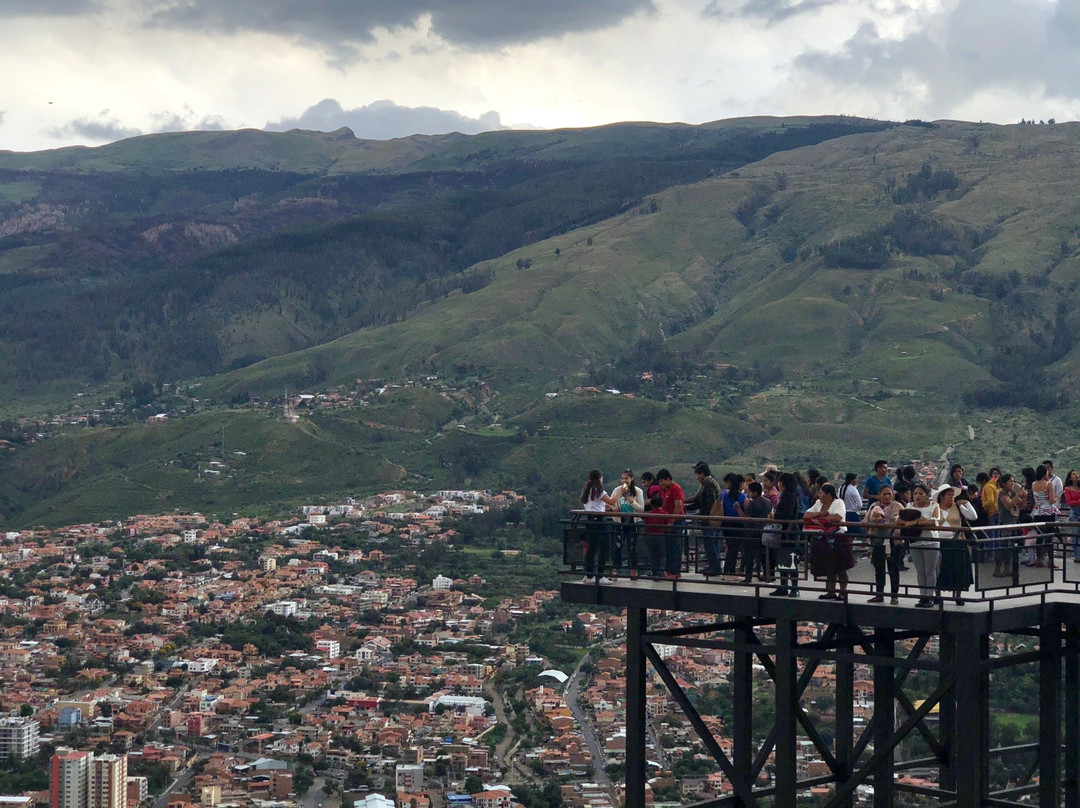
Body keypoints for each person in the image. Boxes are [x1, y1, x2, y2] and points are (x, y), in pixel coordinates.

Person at [897, 484, 941, 607]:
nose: (917, 496)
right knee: (920, 571)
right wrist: (913, 522)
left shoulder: (933, 505)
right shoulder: (909, 506)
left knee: (930, 571)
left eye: (920, 493)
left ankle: (929, 596)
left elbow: (934, 521)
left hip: (931, 541)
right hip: (915, 541)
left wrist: (915, 522)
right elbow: (899, 520)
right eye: (915, 493)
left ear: (926, 495)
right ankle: (922, 595)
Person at [804, 483, 851, 599]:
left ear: (828, 494)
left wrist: (818, 519)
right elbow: (806, 515)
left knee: (840, 567)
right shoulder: (818, 503)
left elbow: (837, 517)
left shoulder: (838, 502)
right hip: (824, 539)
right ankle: (831, 591)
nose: (818, 495)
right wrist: (821, 514)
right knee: (829, 567)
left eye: (821, 492)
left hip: (838, 538)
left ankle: (842, 592)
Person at [936, 485, 977, 604]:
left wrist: (966, 503)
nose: (951, 497)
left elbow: (973, 516)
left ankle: (958, 596)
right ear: (942, 497)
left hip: (958, 541)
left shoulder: (957, 507)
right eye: (948, 495)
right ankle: (938, 595)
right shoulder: (936, 508)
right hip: (940, 542)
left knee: (958, 569)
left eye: (952, 495)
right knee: (940, 569)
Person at [863, 484, 903, 603]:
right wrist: (871, 522)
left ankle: (894, 596)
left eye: (889, 494)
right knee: (879, 569)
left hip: (893, 542)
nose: (887, 496)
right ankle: (879, 594)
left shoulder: (898, 506)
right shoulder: (874, 506)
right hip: (877, 541)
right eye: (884, 494)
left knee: (893, 569)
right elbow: (865, 520)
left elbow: (903, 521)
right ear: (879, 495)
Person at [684, 461, 722, 575]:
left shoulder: (708, 485)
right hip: (711, 519)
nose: (697, 477)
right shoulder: (709, 483)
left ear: (702, 473)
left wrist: (689, 508)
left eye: (697, 474)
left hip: (709, 519)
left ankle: (715, 568)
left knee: (710, 544)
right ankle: (714, 566)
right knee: (712, 544)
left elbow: (705, 503)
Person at [769, 473, 802, 597]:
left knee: (789, 560)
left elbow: (787, 514)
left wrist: (775, 515)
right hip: (789, 532)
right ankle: (786, 587)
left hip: (788, 533)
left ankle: (792, 587)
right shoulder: (790, 495)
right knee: (784, 560)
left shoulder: (788, 496)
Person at [579, 470, 612, 583]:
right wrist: (620, 491)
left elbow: (593, 504)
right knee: (604, 547)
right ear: (600, 478)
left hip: (590, 520)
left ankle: (590, 575)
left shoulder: (587, 490)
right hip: (599, 520)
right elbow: (612, 501)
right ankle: (600, 575)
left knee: (592, 548)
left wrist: (603, 507)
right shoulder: (599, 490)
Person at [611, 470, 644, 578]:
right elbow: (611, 502)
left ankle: (633, 570)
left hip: (632, 522)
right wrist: (614, 508)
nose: (624, 481)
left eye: (626, 478)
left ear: (631, 479)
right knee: (617, 546)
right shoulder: (617, 490)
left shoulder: (638, 491)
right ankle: (615, 569)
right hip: (619, 521)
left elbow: (641, 509)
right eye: (622, 478)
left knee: (632, 546)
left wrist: (632, 501)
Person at [740, 481, 773, 583]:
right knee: (764, 556)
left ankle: (748, 577)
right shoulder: (768, 501)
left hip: (753, 532)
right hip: (765, 531)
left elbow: (746, 517)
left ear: (754, 492)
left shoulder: (753, 503)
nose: (749, 494)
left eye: (750, 492)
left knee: (750, 555)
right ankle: (768, 575)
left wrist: (738, 509)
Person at [656, 469, 685, 580]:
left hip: (676, 522)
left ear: (668, 479)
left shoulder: (676, 488)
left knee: (675, 546)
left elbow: (678, 505)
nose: (660, 484)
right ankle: (670, 569)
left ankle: (675, 571)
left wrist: (672, 520)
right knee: (668, 546)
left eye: (661, 481)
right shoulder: (663, 490)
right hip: (667, 522)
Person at [720, 473, 748, 575]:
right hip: (738, 525)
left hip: (726, 524)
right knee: (734, 549)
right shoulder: (742, 497)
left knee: (730, 547)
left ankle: (728, 569)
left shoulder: (724, 494)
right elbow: (747, 514)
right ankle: (729, 570)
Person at [995, 474, 1022, 577]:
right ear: (1004, 483)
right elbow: (1008, 506)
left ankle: (1007, 569)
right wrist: (1018, 496)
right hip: (1005, 524)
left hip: (1013, 523)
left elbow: (1022, 505)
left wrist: (1023, 496)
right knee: (1003, 548)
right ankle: (997, 570)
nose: (1012, 483)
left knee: (1010, 548)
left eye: (1013, 481)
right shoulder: (1002, 494)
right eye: (1010, 481)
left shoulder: (1012, 493)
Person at [642, 495, 668, 577]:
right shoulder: (665, 514)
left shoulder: (649, 515)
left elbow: (646, 526)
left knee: (652, 555)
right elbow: (668, 525)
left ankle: (655, 572)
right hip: (660, 535)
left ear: (652, 505)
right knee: (662, 554)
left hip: (650, 536)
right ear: (662, 504)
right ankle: (662, 568)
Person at [1064, 470, 1080, 563]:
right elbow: (1069, 502)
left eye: (1077, 473)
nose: (1076, 475)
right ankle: (1077, 555)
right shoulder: (1068, 489)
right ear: (1070, 478)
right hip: (1074, 512)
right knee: (1075, 534)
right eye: (1074, 474)